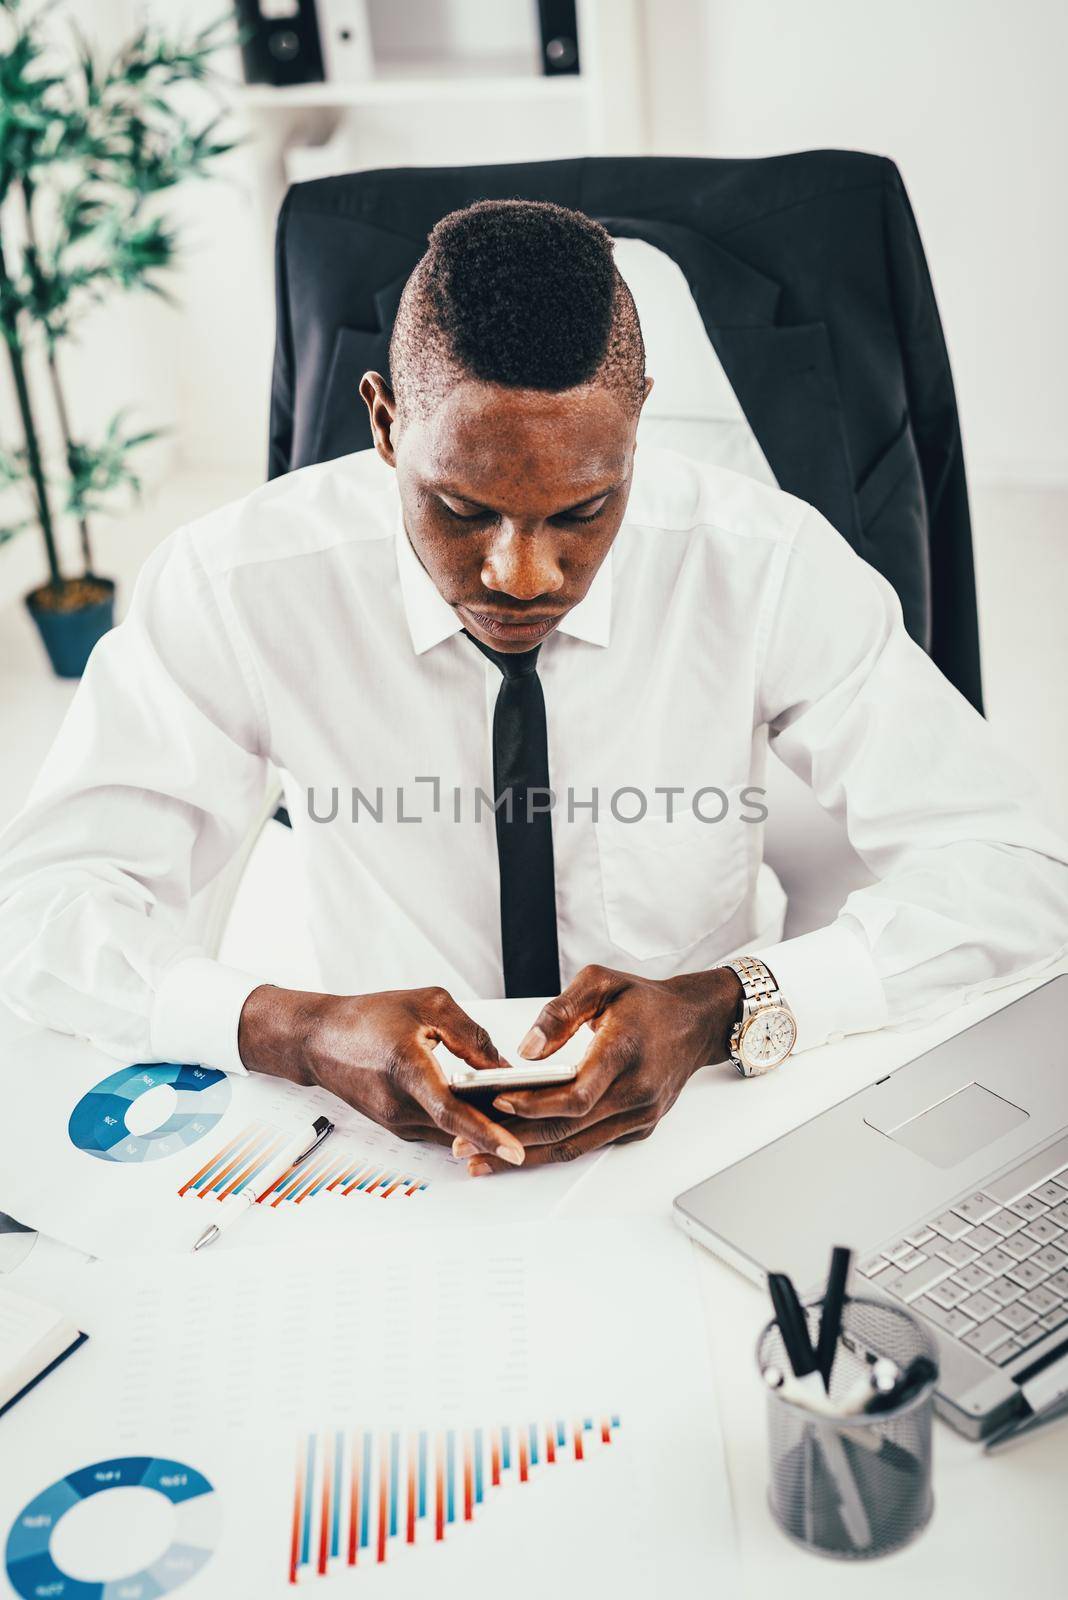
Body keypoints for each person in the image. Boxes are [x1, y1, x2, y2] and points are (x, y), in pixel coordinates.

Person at [0, 200, 1066, 1179]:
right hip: (381, 1141)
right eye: (461, 509)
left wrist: (731, 1003)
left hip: (700, 1113)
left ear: (638, 420)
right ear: (383, 424)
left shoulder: (764, 562)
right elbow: (44, 913)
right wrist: (296, 1027)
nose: (521, 574)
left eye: (582, 510)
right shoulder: (236, 583)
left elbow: (1025, 875)